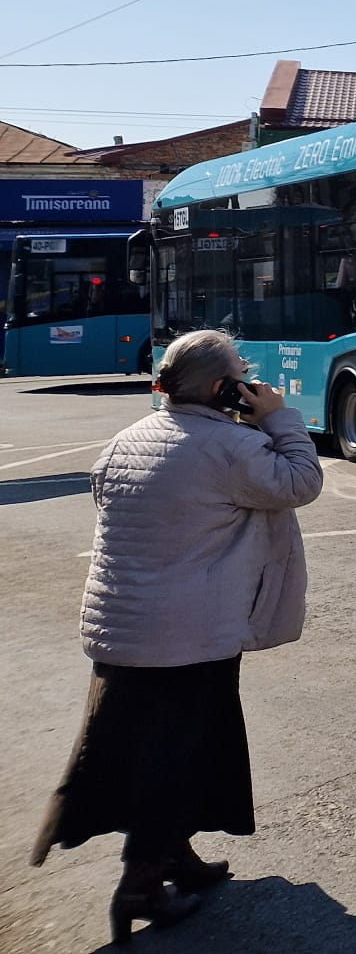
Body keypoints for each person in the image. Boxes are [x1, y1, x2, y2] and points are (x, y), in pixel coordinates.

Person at [31, 329, 323, 944]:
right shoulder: (231, 447)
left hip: (121, 630)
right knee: (180, 754)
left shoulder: (123, 441)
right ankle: (140, 885)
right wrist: (279, 415)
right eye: (242, 375)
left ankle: (176, 857)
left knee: (138, 748)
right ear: (225, 389)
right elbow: (301, 481)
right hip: (188, 636)